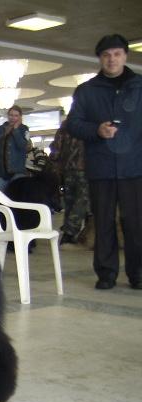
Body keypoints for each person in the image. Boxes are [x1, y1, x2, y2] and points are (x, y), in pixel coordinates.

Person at [67, 34, 142, 290]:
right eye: (107, 55)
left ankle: (139, 273)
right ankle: (106, 273)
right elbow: (74, 124)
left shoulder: (139, 86)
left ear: (125, 56)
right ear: (100, 58)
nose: (112, 59)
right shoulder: (87, 91)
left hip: (135, 167)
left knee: (135, 222)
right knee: (104, 221)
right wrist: (96, 131)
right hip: (101, 167)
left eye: (117, 54)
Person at [49, 120, 89, 246]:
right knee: (81, 200)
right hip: (84, 168)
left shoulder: (66, 124)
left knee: (70, 200)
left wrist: (55, 163)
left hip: (67, 168)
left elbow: (56, 146)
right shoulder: (90, 123)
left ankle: (68, 229)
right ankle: (70, 232)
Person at [0, 105, 30, 192]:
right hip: (1, 170)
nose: (13, 118)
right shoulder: (1, 128)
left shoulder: (24, 129)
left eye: (16, 115)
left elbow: (22, 145)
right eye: (11, 115)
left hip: (17, 171)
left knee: (17, 196)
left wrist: (16, 130)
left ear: (20, 117)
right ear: (8, 116)